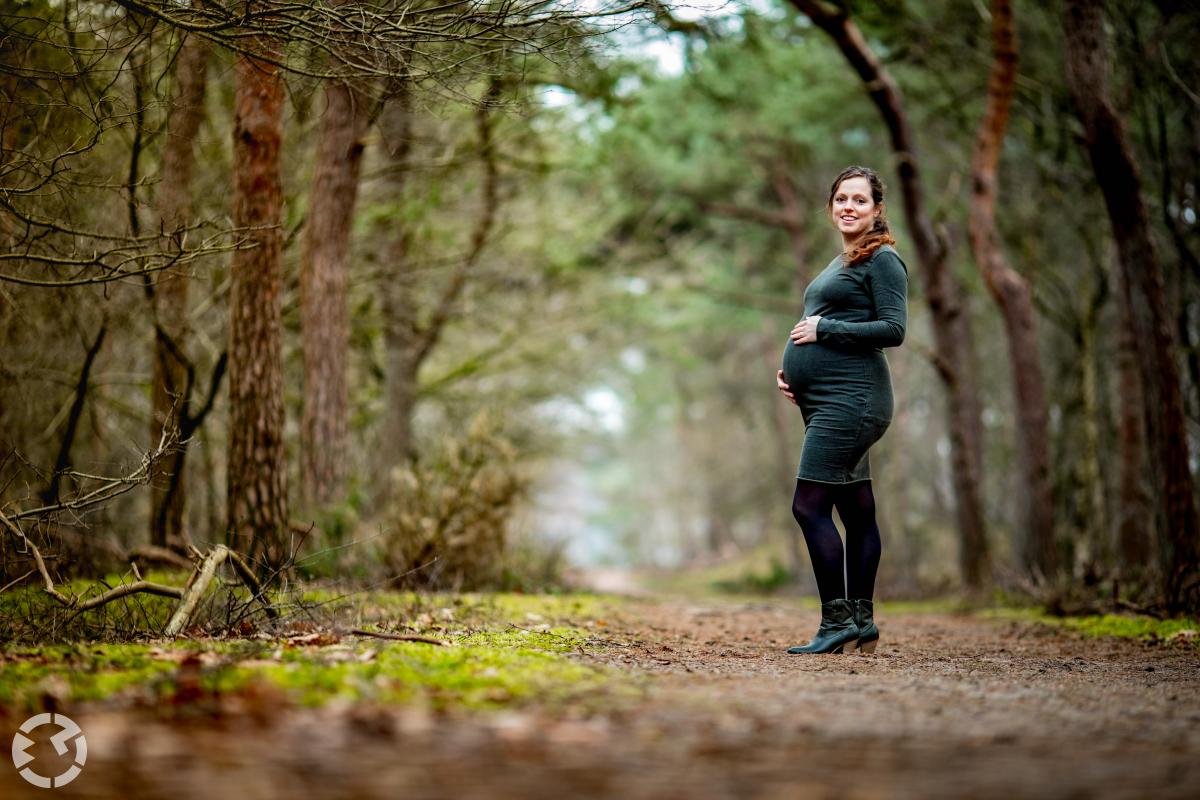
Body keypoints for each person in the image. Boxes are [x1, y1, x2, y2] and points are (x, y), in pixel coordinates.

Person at [776, 165, 908, 655]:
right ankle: (861, 621)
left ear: (876, 209)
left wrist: (823, 333)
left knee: (807, 506)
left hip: (854, 402)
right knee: (856, 510)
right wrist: (794, 374)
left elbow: (893, 329)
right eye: (840, 200)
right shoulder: (847, 259)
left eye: (859, 200)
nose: (848, 207)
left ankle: (836, 624)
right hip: (832, 400)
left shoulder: (884, 260)